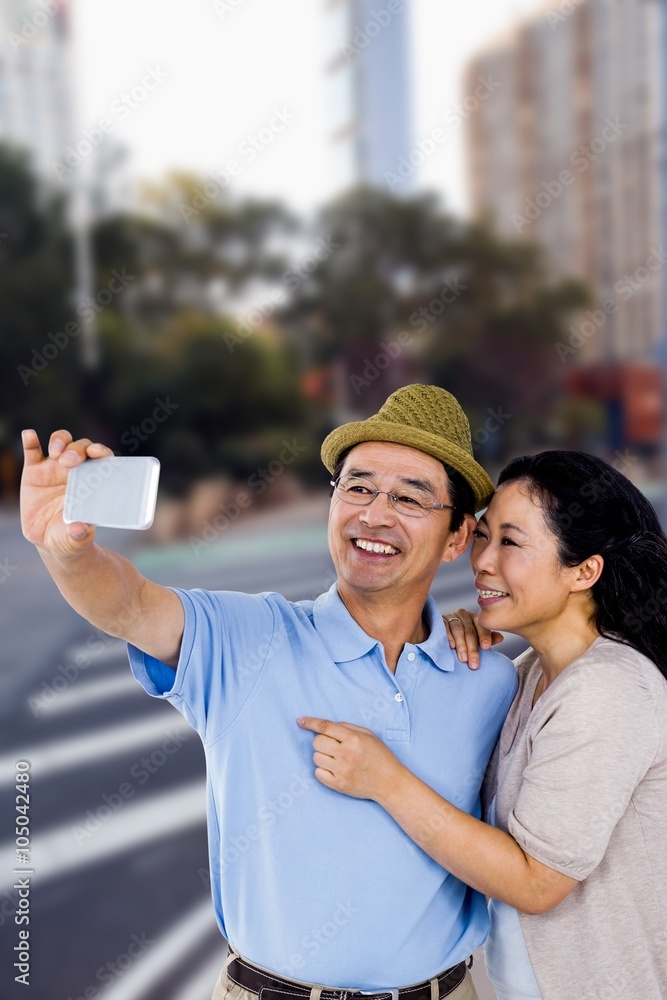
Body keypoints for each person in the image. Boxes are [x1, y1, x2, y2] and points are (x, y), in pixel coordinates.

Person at [20, 384, 518, 1000]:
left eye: (410, 498)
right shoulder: (248, 638)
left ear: (456, 539)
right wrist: (67, 554)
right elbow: (130, 604)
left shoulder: (491, 681)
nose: (374, 514)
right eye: (357, 487)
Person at [298, 450, 667, 1000]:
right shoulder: (531, 673)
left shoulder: (609, 689)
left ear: (584, 570)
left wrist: (384, 780)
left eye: (511, 543)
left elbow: (537, 882)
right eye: (483, 537)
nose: (483, 562)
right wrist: (452, 645)